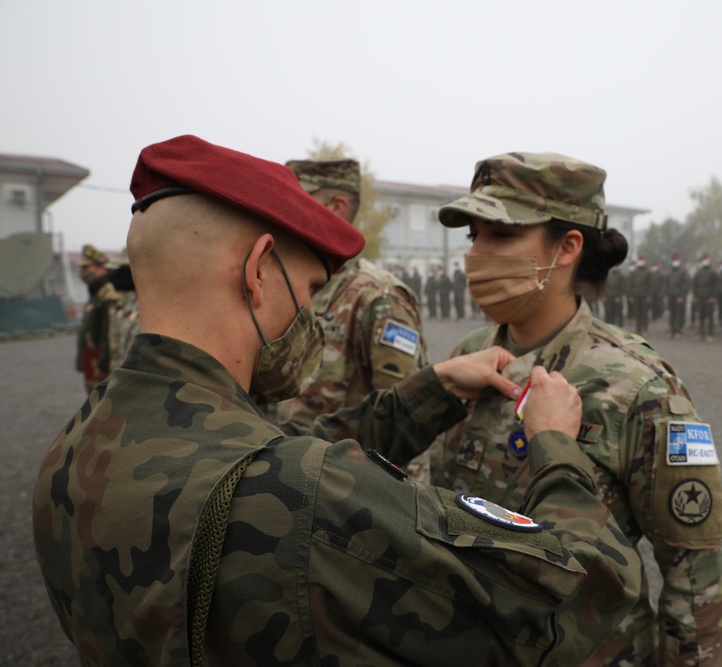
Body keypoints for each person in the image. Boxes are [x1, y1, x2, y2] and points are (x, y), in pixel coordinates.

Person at [32, 135, 642, 667]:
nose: (311, 314)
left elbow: (260, 454)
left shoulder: (76, 447)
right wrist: (557, 446)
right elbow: (579, 594)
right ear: (260, 270)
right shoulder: (312, 496)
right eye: (312, 288)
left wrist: (432, 390)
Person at [414, 152, 722, 667]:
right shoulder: (466, 357)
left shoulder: (639, 385)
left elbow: (694, 573)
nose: (476, 255)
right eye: (474, 237)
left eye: (500, 235)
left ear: (567, 247)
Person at [269, 159, 427, 430]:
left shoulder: (380, 298)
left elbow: (404, 420)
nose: (283, 208)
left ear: (336, 207)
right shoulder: (286, 287)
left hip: (345, 470)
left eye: (298, 197)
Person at [75, 244, 120, 391]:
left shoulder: (107, 293)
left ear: (101, 267)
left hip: (100, 361)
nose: (83, 272)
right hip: (91, 358)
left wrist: (103, 363)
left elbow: (109, 331)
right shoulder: (96, 292)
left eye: (86, 267)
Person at [692, 252, 719, 342]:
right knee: (701, 316)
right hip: (700, 297)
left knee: (710, 317)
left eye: (707, 259)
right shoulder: (699, 272)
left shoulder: (713, 272)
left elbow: (716, 285)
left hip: (709, 298)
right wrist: (695, 296)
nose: (705, 261)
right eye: (704, 259)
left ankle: (710, 334)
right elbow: (695, 285)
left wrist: (713, 296)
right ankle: (701, 334)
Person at [666, 252, 690, 339]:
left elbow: (686, 285)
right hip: (671, 295)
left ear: (680, 260)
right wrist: (666, 296)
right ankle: (672, 330)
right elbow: (666, 284)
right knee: (672, 313)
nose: (675, 261)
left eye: (677, 259)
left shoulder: (683, 271)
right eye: (674, 259)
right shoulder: (670, 271)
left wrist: (682, 296)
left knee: (679, 314)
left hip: (679, 296)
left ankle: (678, 330)